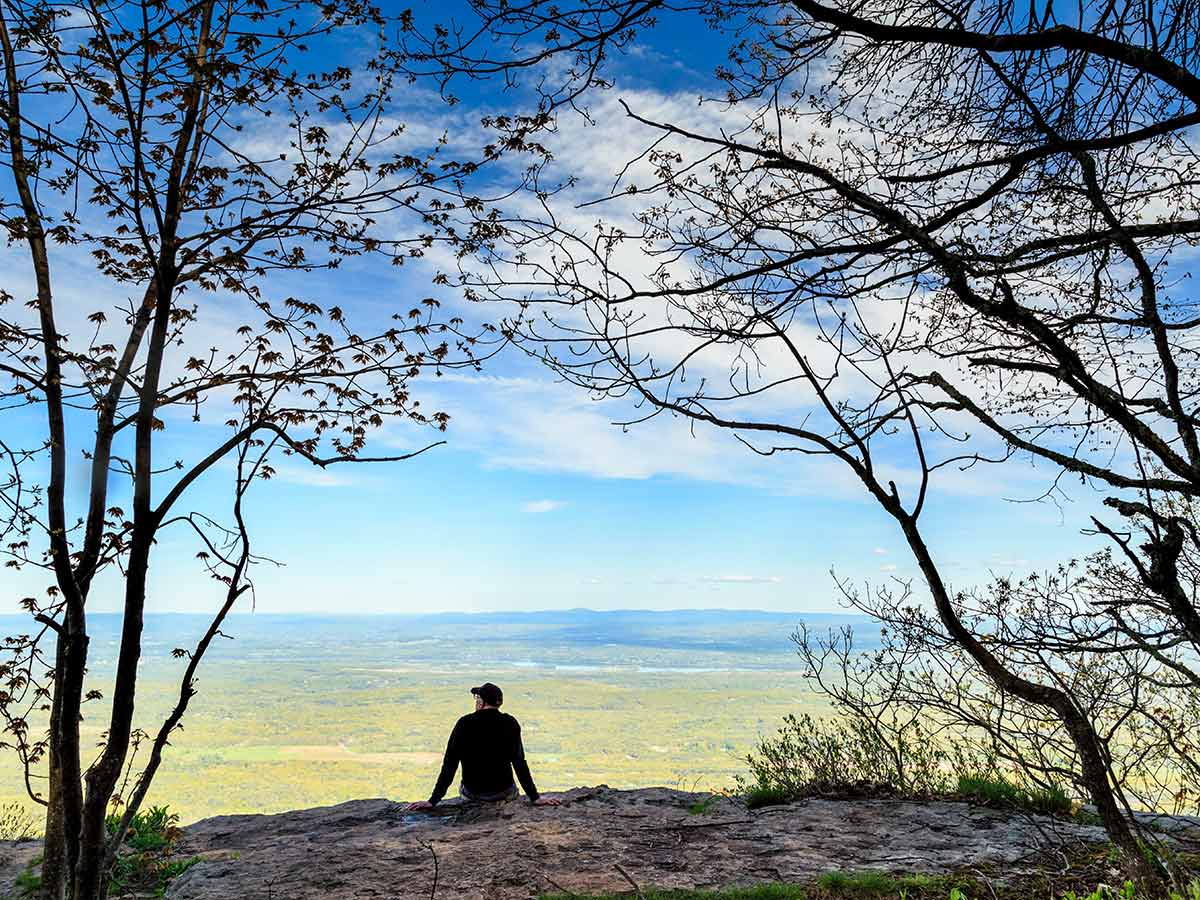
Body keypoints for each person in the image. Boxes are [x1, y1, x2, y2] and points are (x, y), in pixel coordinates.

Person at [406, 682, 561, 810]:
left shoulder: (464, 723)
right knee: (510, 787)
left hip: (474, 795)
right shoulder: (510, 723)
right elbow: (519, 763)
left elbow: (450, 764)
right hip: (504, 794)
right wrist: (535, 797)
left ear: (481, 702)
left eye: (477, 698)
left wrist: (433, 801)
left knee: (465, 786)